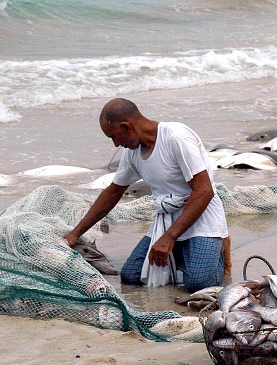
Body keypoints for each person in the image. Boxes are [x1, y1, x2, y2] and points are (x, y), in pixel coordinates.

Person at [64, 98, 231, 293]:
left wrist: (168, 238)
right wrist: (75, 233)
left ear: (127, 127)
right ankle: (186, 252)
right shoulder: (132, 153)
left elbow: (204, 191)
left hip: (202, 217)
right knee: (131, 276)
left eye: (114, 137)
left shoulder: (176, 137)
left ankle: (218, 245)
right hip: (167, 219)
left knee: (198, 284)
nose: (115, 144)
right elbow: (113, 192)